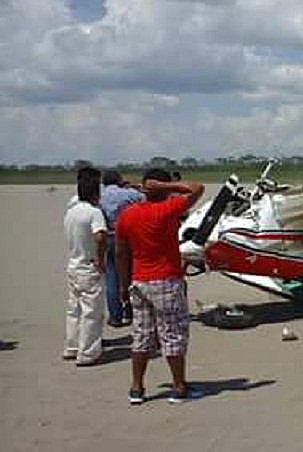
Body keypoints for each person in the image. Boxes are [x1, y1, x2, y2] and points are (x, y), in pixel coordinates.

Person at [115, 169, 204, 404]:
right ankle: (178, 386)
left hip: (139, 281)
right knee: (172, 335)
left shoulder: (128, 215)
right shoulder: (167, 209)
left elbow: (121, 253)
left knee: (141, 336)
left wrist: (124, 286)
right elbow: (197, 188)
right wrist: (165, 187)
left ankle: (137, 388)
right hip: (166, 280)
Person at [63, 167, 108, 366]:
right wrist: (100, 258)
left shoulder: (71, 211)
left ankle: (72, 346)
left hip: (74, 264)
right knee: (92, 312)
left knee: (74, 310)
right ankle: (87, 353)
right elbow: (99, 236)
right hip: (89, 266)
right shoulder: (94, 212)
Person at [100, 170, 144, 327]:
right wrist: (134, 187)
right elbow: (144, 199)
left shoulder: (100, 196)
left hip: (109, 236)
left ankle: (115, 316)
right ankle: (131, 310)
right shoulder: (129, 194)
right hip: (129, 237)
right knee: (131, 274)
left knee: (112, 277)